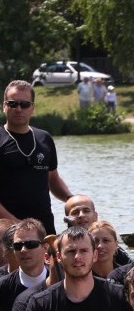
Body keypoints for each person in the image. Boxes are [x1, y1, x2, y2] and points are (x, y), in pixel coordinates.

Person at [0, 80, 73, 234]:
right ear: (4, 106)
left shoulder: (44, 138)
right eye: (13, 104)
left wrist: (72, 200)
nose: (18, 109)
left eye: (24, 104)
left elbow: (53, 179)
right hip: (8, 231)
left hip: (45, 228)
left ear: (32, 108)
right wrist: (15, 224)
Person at [0, 219, 48, 311]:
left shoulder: (62, 280)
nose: (23, 250)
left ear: (45, 247)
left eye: (31, 244)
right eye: (18, 246)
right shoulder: (2, 287)